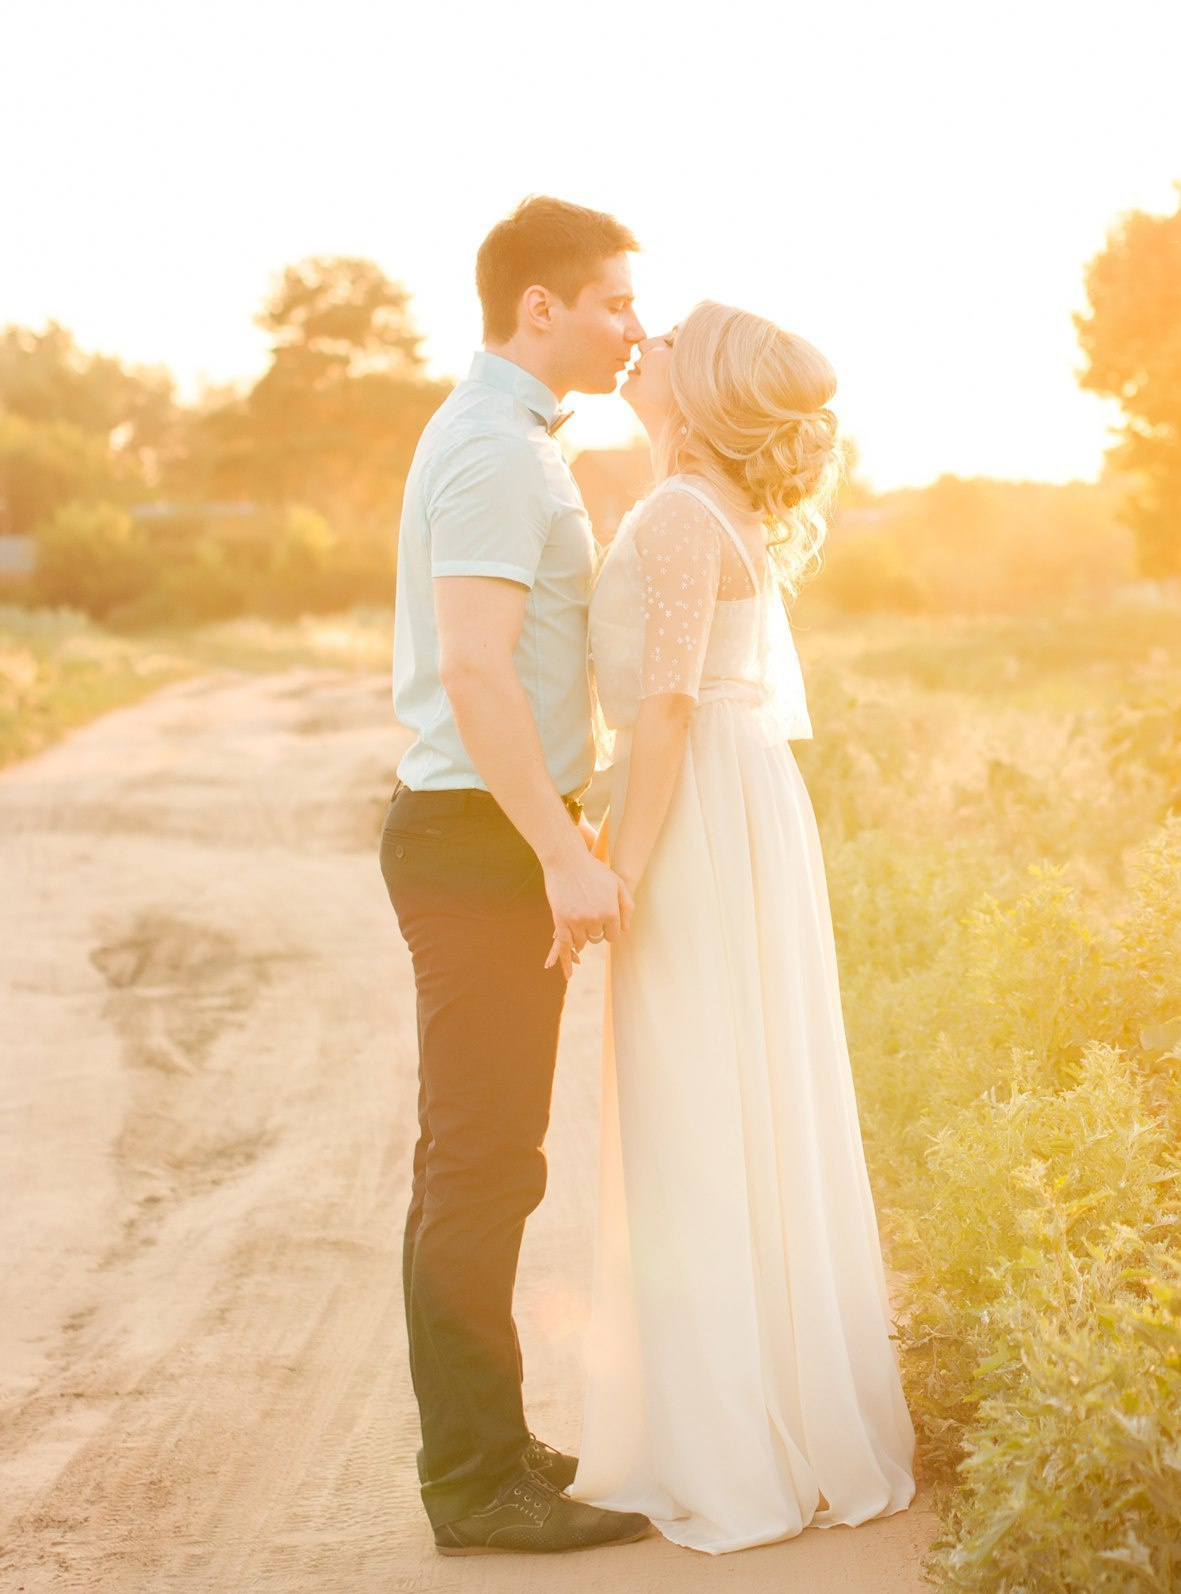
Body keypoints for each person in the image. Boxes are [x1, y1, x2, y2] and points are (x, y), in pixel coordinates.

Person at [565, 301, 917, 1551]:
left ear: (698, 390)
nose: (640, 344)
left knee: (696, 1105)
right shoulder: (719, 512)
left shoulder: (674, 514)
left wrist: (621, 873)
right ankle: (762, 1412)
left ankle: (729, 1445)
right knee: (743, 1096)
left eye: (663, 341)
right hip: (743, 798)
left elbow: (661, 712)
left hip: (698, 812)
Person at [378, 196, 655, 1556]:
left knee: (489, 1162)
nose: (633, 325)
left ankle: (493, 1448)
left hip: (490, 832)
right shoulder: (494, 447)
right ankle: (476, 1484)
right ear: (536, 307)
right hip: (478, 842)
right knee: (482, 1166)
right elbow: (477, 671)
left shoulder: (511, 438)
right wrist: (558, 849)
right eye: (611, 300)